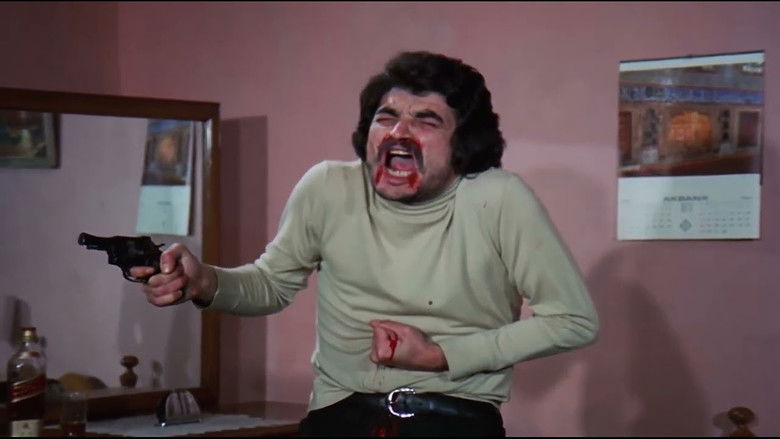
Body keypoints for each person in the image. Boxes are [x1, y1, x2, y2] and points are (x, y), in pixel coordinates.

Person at [131, 51, 599, 437]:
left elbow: (573, 320)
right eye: (386, 117)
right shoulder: (328, 187)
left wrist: (441, 355)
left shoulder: (498, 198)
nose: (398, 133)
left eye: (426, 120)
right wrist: (204, 281)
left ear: (464, 142)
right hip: (339, 415)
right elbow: (271, 284)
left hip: (454, 416)